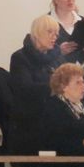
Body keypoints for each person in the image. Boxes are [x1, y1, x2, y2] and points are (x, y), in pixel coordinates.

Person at [8, 15, 63, 156]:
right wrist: (56, 86)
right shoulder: (20, 57)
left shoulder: (57, 59)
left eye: (56, 33)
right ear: (37, 33)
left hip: (56, 122)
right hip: (31, 123)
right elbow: (24, 89)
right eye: (50, 32)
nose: (55, 37)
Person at [40, 63, 84, 161]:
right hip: (67, 165)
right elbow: (52, 141)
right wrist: (82, 143)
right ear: (63, 86)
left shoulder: (83, 105)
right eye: (78, 83)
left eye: (83, 82)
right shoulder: (53, 107)